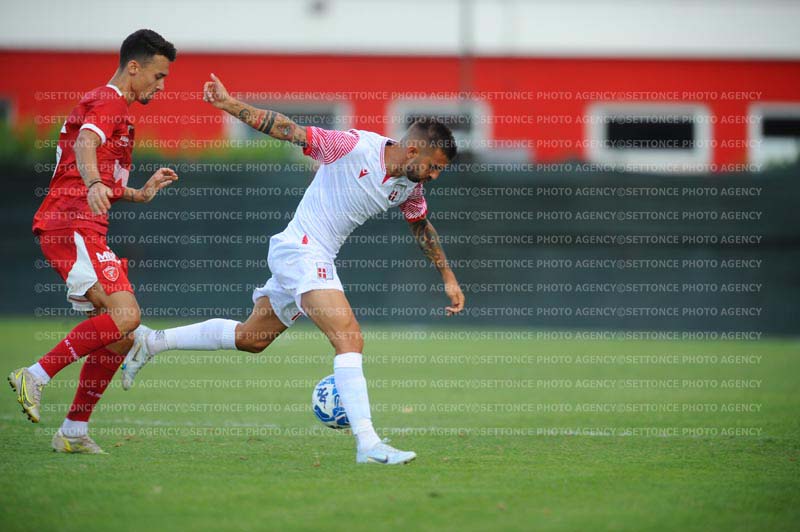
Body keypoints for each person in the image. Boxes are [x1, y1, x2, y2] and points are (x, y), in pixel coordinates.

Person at [122, 73, 465, 465]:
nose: (434, 176)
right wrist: (229, 104)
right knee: (349, 337)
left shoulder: (410, 187)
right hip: (301, 251)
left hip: (312, 256)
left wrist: (448, 277)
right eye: (434, 166)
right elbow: (289, 130)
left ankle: (151, 342)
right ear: (414, 148)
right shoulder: (353, 147)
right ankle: (368, 444)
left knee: (252, 338)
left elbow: (421, 226)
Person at [8, 29, 178, 454]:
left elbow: (96, 171)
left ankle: (73, 430)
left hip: (84, 224)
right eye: (158, 76)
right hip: (71, 222)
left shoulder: (121, 115)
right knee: (127, 315)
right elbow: (85, 144)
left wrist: (139, 193)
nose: (161, 86)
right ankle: (34, 375)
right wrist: (93, 182)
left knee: (121, 332)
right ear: (134, 67)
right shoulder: (109, 100)